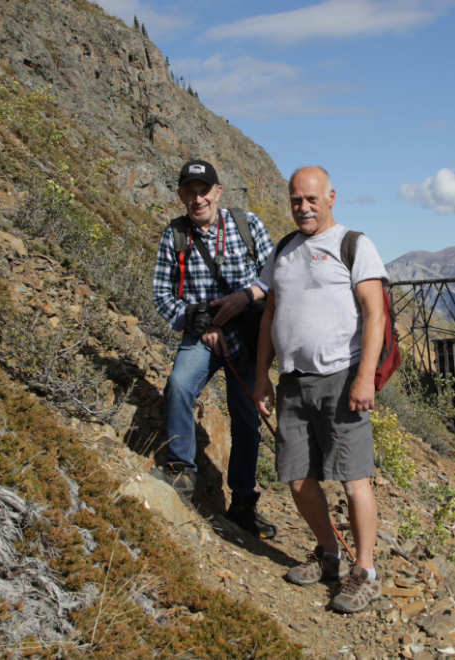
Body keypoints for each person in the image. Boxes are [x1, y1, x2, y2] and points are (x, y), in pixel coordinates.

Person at [254, 166, 387, 613]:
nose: (304, 207)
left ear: (331, 196)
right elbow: (270, 316)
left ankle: (365, 573)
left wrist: (365, 376)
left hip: (342, 380)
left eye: (312, 199)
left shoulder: (355, 246)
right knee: (296, 479)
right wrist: (261, 376)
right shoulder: (284, 251)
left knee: (354, 482)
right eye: (296, 200)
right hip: (293, 382)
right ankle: (329, 554)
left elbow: (375, 315)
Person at [151, 159, 277, 539]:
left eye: (204, 190)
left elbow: (276, 277)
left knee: (247, 420)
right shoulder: (174, 235)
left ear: (218, 192)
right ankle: (181, 472)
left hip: (249, 334)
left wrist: (244, 297)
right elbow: (162, 295)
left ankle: (242, 502)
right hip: (203, 334)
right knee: (179, 385)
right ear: (180, 196)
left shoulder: (247, 224)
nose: (197, 198)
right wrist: (199, 324)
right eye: (189, 191)